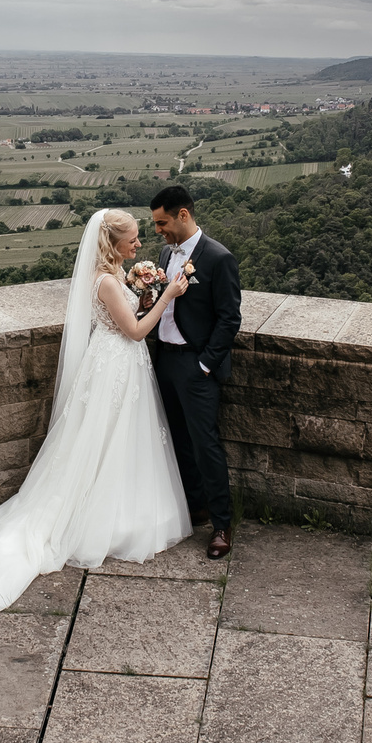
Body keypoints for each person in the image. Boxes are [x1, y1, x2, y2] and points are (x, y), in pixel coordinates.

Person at [0, 207, 195, 608]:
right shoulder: (105, 281)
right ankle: (103, 521)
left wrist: (142, 293)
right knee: (106, 438)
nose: (139, 245)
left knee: (116, 440)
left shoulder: (112, 275)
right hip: (116, 365)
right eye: (133, 239)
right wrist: (168, 295)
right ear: (112, 242)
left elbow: (127, 320)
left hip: (117, 362)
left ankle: (122, 510)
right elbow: (137, 331)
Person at [147, 184, 242, 557]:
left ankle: (221, 525)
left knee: (206, 444)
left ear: (183, 215)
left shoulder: (218, 258)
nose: (158, 231)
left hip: (195, 364)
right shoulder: (163, 254)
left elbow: (229, 318)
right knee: (178, 440)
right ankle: (195, 506)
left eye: (162, 222)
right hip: (165, 360)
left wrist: (204, 365)